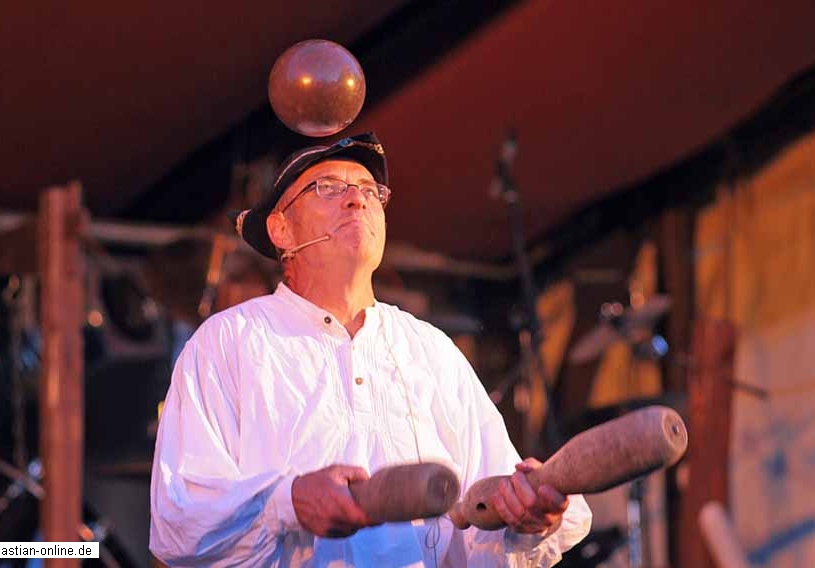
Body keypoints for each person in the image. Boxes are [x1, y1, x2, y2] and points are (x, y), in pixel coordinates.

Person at [149, 132, 592, 566]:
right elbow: (179, 521)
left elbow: (480, 531)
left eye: (369, 191)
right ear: (280, 228)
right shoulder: (227, 342)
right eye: (329, 188)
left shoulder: (432, 351)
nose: (357, 200)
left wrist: (524, 518)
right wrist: (290, 501)